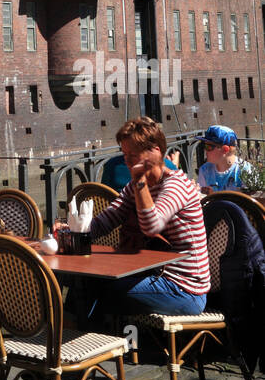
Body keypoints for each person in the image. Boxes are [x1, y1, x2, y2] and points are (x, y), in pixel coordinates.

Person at [83, 118, 209, 322]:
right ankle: (77, 338)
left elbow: (152, 226)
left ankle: (94, 343)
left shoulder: (177, 186)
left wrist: (140, 182)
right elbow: (107, 220)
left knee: (106, 290)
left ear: (156, 151)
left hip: (185, 289)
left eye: (133, 155)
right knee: (85, 281)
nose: (127, 161)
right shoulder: (135, 186)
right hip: (155, 275)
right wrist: (72, 230)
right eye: (124, 155)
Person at [197, 125, 253, 192]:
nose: (205, 150)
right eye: (204, 145)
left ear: (225, 149)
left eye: (208, 147)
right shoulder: (204, 170)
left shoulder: (246, 170)